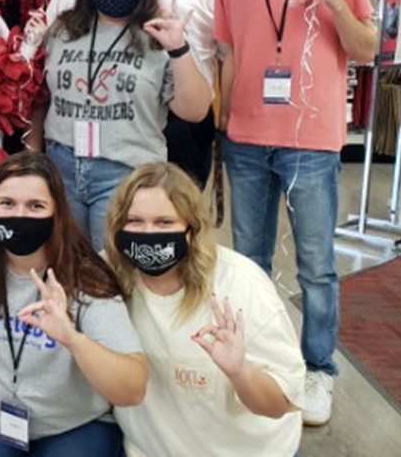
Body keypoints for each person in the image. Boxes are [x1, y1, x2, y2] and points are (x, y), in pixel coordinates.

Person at [214, 0, 376, 426]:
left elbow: (366, 49)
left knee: (315, 264)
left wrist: (333, 0)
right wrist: (220, 127)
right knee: (248, 260)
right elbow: (229, 53)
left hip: (312, 140)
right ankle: (254, 359)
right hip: (246, 138)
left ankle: (318, 370)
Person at [0, 151, 148, 457]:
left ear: (57, 214)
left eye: (36, 206)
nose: (19, 215)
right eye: (7, 204)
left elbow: (132, 388)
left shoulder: (86, 278)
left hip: (72, 425)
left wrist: (72, 339)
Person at [104, 162, 304, 457]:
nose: (148, 234)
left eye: (164, 223)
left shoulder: (240, 286)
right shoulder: (109, 276)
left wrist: (239, 372)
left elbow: (278, 405)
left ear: (192, 230)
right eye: (135, 221)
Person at [28, 0, 213, 251]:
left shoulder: (159, 35)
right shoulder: (62, 30)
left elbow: (194, 111)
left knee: (116, 271)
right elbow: (42, 97)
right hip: (62, 165)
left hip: (127, 172)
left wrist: (178, 48)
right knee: (70, 266)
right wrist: (33, 151)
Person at [47, 0, 218, 188]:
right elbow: (53, 42)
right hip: (98, 124)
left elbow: (226, 52)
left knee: (175, 216)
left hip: (182, 112)